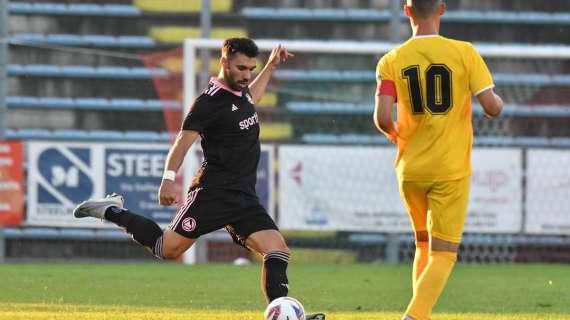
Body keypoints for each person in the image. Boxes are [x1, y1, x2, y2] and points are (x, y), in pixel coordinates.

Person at [74, 37, 324, 320]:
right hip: (212, 193)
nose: (245, 75)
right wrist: (168, 179)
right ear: (224, 62)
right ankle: (111, 210)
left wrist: (269, 67)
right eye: (240, 68)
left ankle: (283, 315)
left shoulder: (241, 94)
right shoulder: (208, 103)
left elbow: (253, 97)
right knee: (166, 248)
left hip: (244, 197)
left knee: (277, 250)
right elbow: (182, 143)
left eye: (250, 69)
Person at [373, 1, 503, 319]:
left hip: (410, 169)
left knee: (423, 246)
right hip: (449, 170)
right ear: (442, 9)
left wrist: (394, 133)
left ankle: (422, 316)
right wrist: (496, 99)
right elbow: (492, 107)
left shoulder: (391, 60)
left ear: (407, 11)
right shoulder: (464, 52)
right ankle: (414, 316)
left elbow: (381, 117)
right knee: (444, 255)